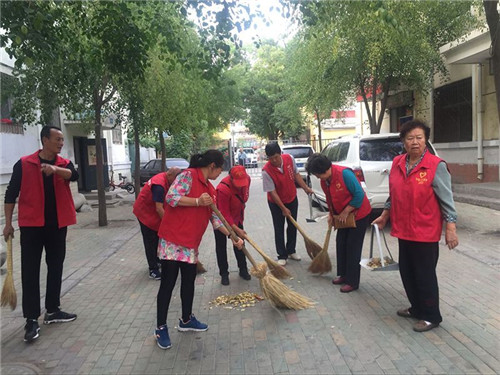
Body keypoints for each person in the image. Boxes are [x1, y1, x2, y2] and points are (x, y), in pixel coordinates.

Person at [372, 120, 459, 333]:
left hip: (425, 231)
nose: (415, 142)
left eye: (419, 137)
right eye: (410, 138)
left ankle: (431, 316)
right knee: (408, 273)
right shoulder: (398, 163)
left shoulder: (435, 165)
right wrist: (385, 214)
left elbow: (447, 199)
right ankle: (416, 307)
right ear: (403, 142)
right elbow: (394, 193)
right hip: (404, 229)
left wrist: (451, 227)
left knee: (424, 274)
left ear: (426, 139)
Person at [155, 150, 243, 350]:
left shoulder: (210, 190)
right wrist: (196, 201)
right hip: (172, 240)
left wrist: (232, 236)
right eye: (220, 169)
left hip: (190, 243)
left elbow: (215, 218)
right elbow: (171, 197)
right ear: (212, 165)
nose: (220, 173)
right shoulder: (188, 176)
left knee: (188, 282)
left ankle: (186, 320)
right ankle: (160, 327)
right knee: (168, 284)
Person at [3, 126, 79, 343]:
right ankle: (31, 319)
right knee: (30, 271)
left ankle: (53, 310)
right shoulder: (25, 164)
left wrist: (54, 170)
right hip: (31, 227)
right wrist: (8, 224)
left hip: (57, 225)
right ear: (44, 139)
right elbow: (10, 194)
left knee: (56, 266)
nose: (61, 143)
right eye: (57, 139)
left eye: (63, 140)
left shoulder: (63, 164)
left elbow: (74, 175)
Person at [306, 153, 372, 293]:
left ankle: (353, 282)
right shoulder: (325, 181)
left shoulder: (344, 174)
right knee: (341, 243)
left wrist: (346, 211)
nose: (317, 177)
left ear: (325, 169)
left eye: (318, 174)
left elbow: (359, 194)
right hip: (341, 217)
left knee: (352, 247)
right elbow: (329, 199)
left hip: (358, 215)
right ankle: (343, 275)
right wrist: (331, 215)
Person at [262, 142, 313, 266]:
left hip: (291, 198)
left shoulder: (289, 158)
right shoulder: (266, 171)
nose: (274, 160)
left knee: (292, 225)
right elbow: (272, 192)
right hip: (276, 203)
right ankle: (282, 255)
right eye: (271, 158)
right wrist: (283, 208)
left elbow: (296, 174)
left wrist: (305, 188)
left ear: (280, 154)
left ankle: (291, 250)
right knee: (279, 228)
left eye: (276, 157)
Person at [133, 167, 181, 280]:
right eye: (175, 180)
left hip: (152, 214)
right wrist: (168, 225)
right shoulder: (159, 185)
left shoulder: (166, 179)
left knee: (157, 238)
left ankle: (157, 260)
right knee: (150, 241)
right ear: (170, 175)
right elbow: (159, 209)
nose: (176, 183)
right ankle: (153, 269)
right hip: (145, 214)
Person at [214, 165, 251, 285]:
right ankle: (224, 273)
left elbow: (245, 197)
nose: (241, 185)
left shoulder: (247, 180)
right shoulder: (222, 189)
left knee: (240, 244)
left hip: (237, 217)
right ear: (231, 178)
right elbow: (224, 213)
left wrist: (238, 228)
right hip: (221, 220)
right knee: (221, 246)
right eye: (238, 182)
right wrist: (235, 229)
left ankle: (243, 269)